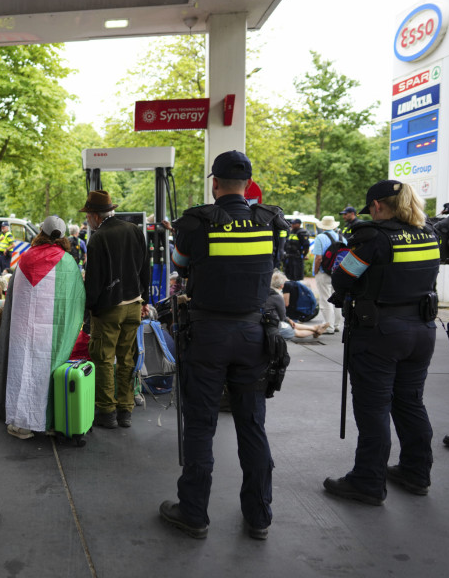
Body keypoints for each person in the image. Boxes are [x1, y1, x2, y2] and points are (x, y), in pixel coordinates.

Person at [159, 150, 288, 541]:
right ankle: (259, 516)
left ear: (214, 183)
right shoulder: (270, 221)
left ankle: (193, 513)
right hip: (254, 334)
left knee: (201, 425)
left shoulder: (196, 223)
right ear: (247, 185)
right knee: (252, 424)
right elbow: (273, 265)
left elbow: (181, 263)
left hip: (208, 335)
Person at [323, 180, 440, 505]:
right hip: (423, 330)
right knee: (411, 403)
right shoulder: (429, 233)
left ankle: (367, 482)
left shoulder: (374, 238)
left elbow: (343, 277)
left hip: (380, 334)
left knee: (373, 408)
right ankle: (416, 473)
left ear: (377, 206)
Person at [0, 215, 85, 439]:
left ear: (41, 232)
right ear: (63, 236)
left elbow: (13, 296)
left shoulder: (25, 258)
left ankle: (23, 423)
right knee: (51, 372)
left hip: (23, 331)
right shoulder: (68, 262)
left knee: (23, 370)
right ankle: (52, 420)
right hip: (54, 333)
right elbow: (77, 299)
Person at [82, 191, 150, 429]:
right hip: (134, 305)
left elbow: (94, 281)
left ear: (95, 216)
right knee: (127, 359)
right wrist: (145, 299)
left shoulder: (98, 238)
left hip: (109, 309)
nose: (87, 220)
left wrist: (89, 308)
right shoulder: (134, 230)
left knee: (103, 358)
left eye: (87, 215)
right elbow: (145, 267)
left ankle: (107, 412)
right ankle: (125, 410)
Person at [268, 271, 329, 340]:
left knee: (292, 324)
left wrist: (288, 320)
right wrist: (288, 319)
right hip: (273, 324)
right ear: (282, 285)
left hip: (270, 320)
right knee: (295, 331)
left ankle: (316, 328)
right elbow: (283, 317)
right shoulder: (277, 297)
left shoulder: (266, 293)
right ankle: (316, 330)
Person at [311, 215, 345, 335]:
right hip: (338, 273)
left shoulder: (320, 237)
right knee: (337, 298)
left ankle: (328, 326)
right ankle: (336, 325)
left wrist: (315, 271)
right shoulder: (341, 237)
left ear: (323, 226)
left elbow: (318, 258)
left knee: (325, 299)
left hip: (324, 272)